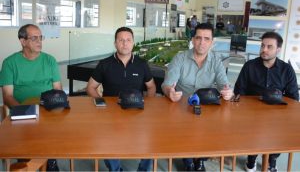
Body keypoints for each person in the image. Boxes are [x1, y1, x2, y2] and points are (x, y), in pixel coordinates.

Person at [161, 23, 234, 171]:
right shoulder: (180, 58)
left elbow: (224, 85)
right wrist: (170, 92)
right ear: (193, 40)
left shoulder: (216, 60)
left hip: (206, 107)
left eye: (207, 39)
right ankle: (188, 160)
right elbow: (167, 84)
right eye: (199, 38)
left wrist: (228, 92)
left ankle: (200, 159)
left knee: (213, 130)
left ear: (212, 42)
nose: (202, 42)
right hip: (181, 106)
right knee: (183, 133)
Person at [86, 26, 156, 171]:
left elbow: (151, 87)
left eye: (128, 40)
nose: (125, 43)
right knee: (106, 142)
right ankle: (116, 170)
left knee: (151, 141)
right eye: (121, 40)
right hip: (111, 114)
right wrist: (102, 103)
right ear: (115, 43)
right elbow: (90, 87)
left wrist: (148, 104)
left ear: (133, 43)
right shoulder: (105, 64)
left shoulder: (141, 64)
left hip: (137, 112)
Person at [234, 31, 299, 172]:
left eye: (269, 46)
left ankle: (272, 159)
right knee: (252, 135)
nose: (264, 49)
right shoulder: (249, 66)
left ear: (278, 49)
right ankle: (251, 158)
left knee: (280, 135)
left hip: (277, 115)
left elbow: (294, 97)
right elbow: (239, 90)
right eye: (262, 45)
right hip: (252, 114)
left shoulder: (287, 70)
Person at [0, 24, 62, 171]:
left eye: (41, 37)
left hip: (47, 108)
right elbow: (7, 96)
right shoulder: (10, 63)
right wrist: (24, 111)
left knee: (54, 130)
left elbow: (57, 90)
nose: (39, 41)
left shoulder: (50, 60)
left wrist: (54, 107)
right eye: (34, 38)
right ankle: (27, 161)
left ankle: (50, 161)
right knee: (27, 141)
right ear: (23, 41)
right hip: (22, 110)